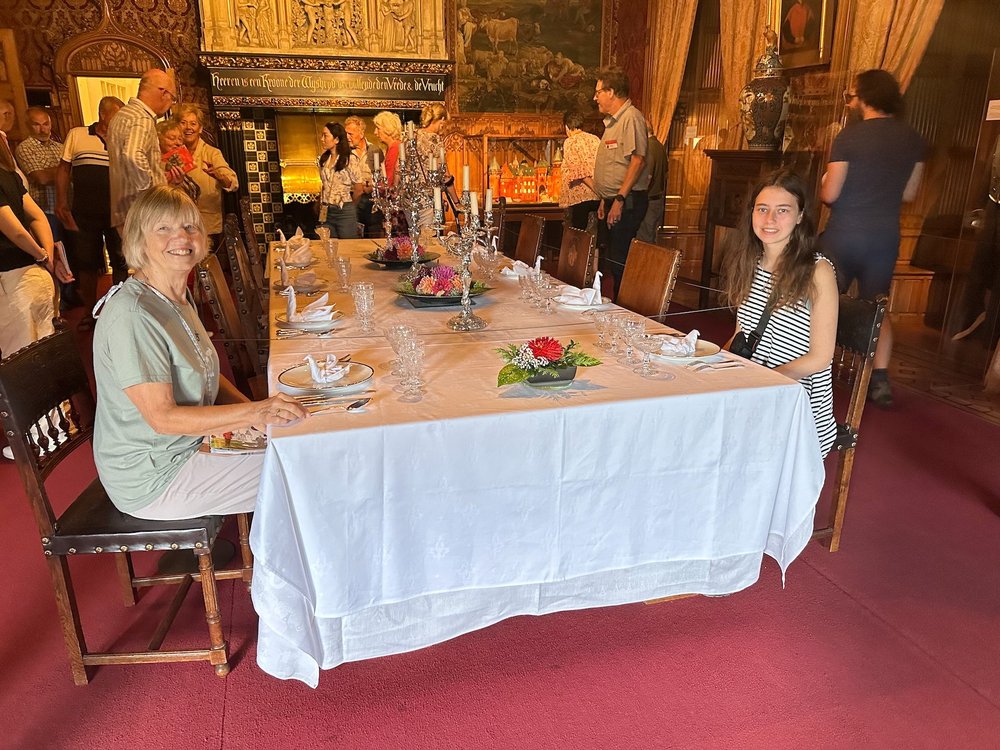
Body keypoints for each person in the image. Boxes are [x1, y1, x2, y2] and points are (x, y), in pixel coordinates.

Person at [91, 186, 307, 518]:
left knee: (305, 441)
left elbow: (209, 376)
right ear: (137, 240)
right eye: (163, 228)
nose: (181, 237)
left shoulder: (176, 297)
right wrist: (256, 413)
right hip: (156, 475)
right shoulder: (133, 315)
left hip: (190, 446)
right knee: (307, 469)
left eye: (190, 226)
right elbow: (162, 419)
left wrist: (256, 414)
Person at [819, 69, 925, 408]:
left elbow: (830, 194)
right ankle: (879, 380)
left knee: (823, 299)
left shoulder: (850, 137)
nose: (851, 102)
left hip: (845, 233)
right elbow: (909, 193)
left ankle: (817, 365)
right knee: (877, 306)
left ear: (863, 98)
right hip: (883, 236)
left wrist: (825, 179)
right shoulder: (913, 140)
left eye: (852, 96)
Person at [723, 169, 838, 457]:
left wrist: (764, 383)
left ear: (800, 216)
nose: (770, 219)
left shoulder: (817, 271)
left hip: (796, 403)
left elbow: (821, 357)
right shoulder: (750, 262)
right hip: (754, 390)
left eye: (782, 210)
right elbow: (741, 334)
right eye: (762, 209)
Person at [0, 140, 73, 459]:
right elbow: (39, 217)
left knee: (21, 361)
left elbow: (14, 230)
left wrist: (38, 253)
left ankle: (41, 438)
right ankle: (59, 425)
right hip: (36, 276)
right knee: (45, 352)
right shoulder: (10, 175)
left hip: (12, 280)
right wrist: (44, 255)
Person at [56, 96, 126, 329]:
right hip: (84, 213)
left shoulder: (123, 140)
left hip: (117, 213)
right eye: (117, 116)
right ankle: (90, 312)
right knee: (86, 264)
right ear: (103, 114)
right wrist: (62, 201)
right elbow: (64, 169)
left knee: (122, 260)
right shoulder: (77, 135)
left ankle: (119, 309)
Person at [592, 66, 648, 296]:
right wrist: (605, 200)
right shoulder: (613, 122)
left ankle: (624, 308)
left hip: (628, 201)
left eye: (598, 92)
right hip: (613, 200)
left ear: (612, 91)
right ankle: (614, 302)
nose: (595, 97)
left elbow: (637, 161)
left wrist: (619, 199)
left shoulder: (631, 117)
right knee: (612, 259)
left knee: (620, 260)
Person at [107, 69, 177, 232]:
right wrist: (152, 193)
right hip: (145, 213)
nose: (171, 104)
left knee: (136, 257)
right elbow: (133, 155)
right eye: (172, 98)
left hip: (125, 211)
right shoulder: (142, 118)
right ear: (163, 93)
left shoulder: (122, 115)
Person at [174, 104, 239, 246]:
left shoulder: (212, 153)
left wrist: (220, 176)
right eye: (183, 123)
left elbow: (233, 183)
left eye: (193, 123)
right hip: (178, 224)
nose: (188, 128)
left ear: (200, 128)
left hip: (207, 225)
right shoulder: (172, 153)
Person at [317, 121, 367, 239]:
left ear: (336, 140)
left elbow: (358, 189)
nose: (322, 139)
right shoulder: (323, 159)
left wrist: (350, 206)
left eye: (326, 135)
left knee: (348, 246)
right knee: (328, 245)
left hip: (344, 210)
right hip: (326, 210)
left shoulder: (349, 159)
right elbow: (324, 184)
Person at [558, 109, 600, 231]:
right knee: (594, 237)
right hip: (598, 197)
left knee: (578, 238)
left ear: (566, 126)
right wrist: (600, 192)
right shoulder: (595, 139)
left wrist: (594, 188)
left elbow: (578, 171)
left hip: (579, 198)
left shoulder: (570, 142)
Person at [344, 115, 383, 237]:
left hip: (371, 198)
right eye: (346, 134)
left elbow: (382, 175)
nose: (347, 137)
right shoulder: (344, 152)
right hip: (352, 198)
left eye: (350, 134)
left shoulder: (375, 150)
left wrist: (373, 186)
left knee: (374, 232)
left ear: (361, 134)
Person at [636, 124, 667, 243]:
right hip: (657, 199)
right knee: (651, 236)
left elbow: (647, 177)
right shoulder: (660, 146)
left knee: (644, 240)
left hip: (648, 200)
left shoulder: (648, 147)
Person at [373, 110, 402, 184]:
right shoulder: (392, 147)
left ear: (387, 129)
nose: (375, 132)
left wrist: (373, 188)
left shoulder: (395, 148)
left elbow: (389, 181)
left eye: (378, 128)